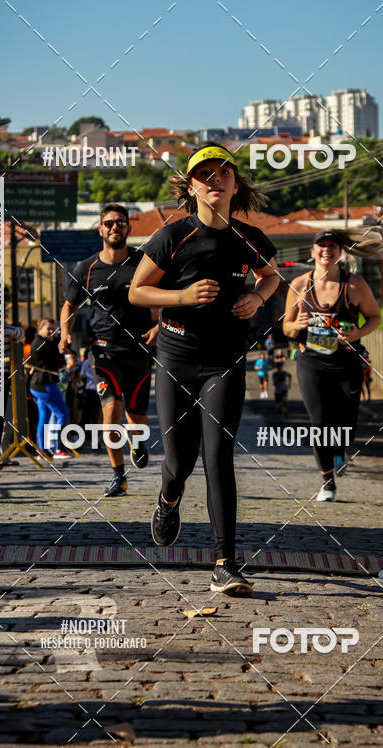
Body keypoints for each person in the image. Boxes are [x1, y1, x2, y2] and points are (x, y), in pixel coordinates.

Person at [129, 143, 279, 596]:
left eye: (223, 173)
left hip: (224, 360)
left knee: (218, 458)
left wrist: (257, 297)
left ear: (235, 184)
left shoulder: (250, 238)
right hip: (176, 358)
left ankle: (225, 563)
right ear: (191, 187)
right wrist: (181, 296)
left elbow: (271, 276)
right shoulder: (173, 236)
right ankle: (168, 498)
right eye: (205, 174)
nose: (215, 180)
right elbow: (137, 291)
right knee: (179, 461)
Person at [59, 204, 157, 496]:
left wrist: (158, 326)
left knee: (136, 415)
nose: (115, 227)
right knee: (110, 411)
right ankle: (118, 476)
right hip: (103, 351)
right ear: (100, 229)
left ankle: (137, 441)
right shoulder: (86, 269)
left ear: (128, 228)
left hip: (139, 350)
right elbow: (69, 306)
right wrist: (65, 333)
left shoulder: (143, 263)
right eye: (109, 223)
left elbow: (161, 297)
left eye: (121, 223)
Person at [283, 229, 383, 501]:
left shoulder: (355, 285)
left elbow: (375, 317)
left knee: (346, 420)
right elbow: (286, 328)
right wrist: (296, 324)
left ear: (340, 252)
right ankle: (327, 481)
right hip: (311, 361)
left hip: (346, 362)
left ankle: (340, 450)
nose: (326, 250)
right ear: (312, 251)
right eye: (321, 245)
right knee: (319, 422)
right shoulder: (299, 285)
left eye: (332, 246)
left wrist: (357, 333)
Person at [28, 318, 67, 458]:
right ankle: (59, 448)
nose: (51, 331)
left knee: (44, 416)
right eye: (48, 329)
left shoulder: (44, 342)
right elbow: (59, 355)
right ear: (40, 329)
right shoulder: (40, 343)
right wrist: (60, 339)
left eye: (53, 329)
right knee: (63, 414)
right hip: (44, 383)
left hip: (40, 383)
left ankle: (42, 451)